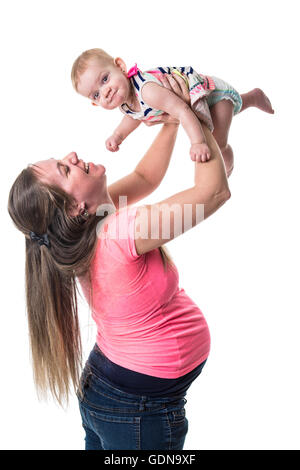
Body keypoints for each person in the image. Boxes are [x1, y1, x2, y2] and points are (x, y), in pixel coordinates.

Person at [8, 74, 231, 450]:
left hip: (110, 392)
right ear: (75, 207)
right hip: (135, 410)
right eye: (65, 170)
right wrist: (191, 112)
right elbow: (214, 191)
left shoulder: (85, 231)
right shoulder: (121, 231)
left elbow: (146, 176)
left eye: (62, 160)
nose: (72, 156)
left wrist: (172, 119)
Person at [71, 48, 274, 171]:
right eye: (96, 95)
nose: (104, 92)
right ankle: (253, 97)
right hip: (201, 102)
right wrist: (118, 135)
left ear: (121, 66)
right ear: (94, 103)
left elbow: (183, 111)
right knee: (230, 113)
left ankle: (226, 170)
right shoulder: (125, 102)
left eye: (104, 79)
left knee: (217, 146)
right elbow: (133, 116)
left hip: (214, 96)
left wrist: (197, 142)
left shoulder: (148, 91)